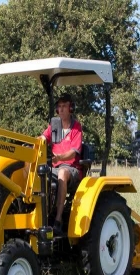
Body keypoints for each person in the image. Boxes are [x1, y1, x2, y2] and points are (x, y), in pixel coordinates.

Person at [39, 93, 83, 234]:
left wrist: (59, 158)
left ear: (71, 108)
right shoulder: (54, 125)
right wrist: (36, 141)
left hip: (71, 169)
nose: (62, 109)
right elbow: (43, 138)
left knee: (62, 173)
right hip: (54, 166)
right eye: (59, 107)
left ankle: (58, 219)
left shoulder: (76, 127)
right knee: (39, 173)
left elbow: (73, 153)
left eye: (65, 106)